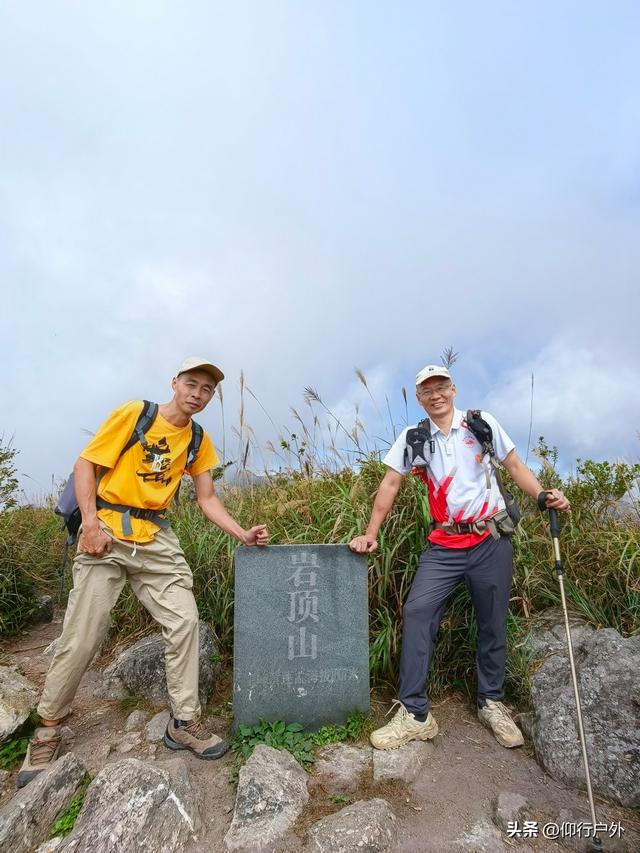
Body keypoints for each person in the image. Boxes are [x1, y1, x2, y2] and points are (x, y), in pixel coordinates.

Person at [18, 357, 268, 788]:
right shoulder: (137, 414)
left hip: (156, 537)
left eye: (207, 390)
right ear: (175, 383)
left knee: (185, 622)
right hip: (108, 531)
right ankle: (48, 727)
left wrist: (241, 533)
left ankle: (184, 722)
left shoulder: (198, 439)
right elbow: (86, 465)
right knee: (84, 633)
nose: (198, 393)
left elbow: (206, 499)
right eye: (192, 384)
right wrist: (91, 525)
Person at [349, 363, 570, 750]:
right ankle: (415, 713)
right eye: (426, 390)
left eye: (441, 387)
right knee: (418, 611)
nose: (435, 394)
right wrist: (370, 534)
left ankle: (491, 702)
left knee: (492, 622)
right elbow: (390, 483)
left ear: (453, 389)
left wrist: (541, 496)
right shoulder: (414, 437)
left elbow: (514, 465)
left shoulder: (480, 424)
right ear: (418, 398)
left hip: (490, 539)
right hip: (444, 546)